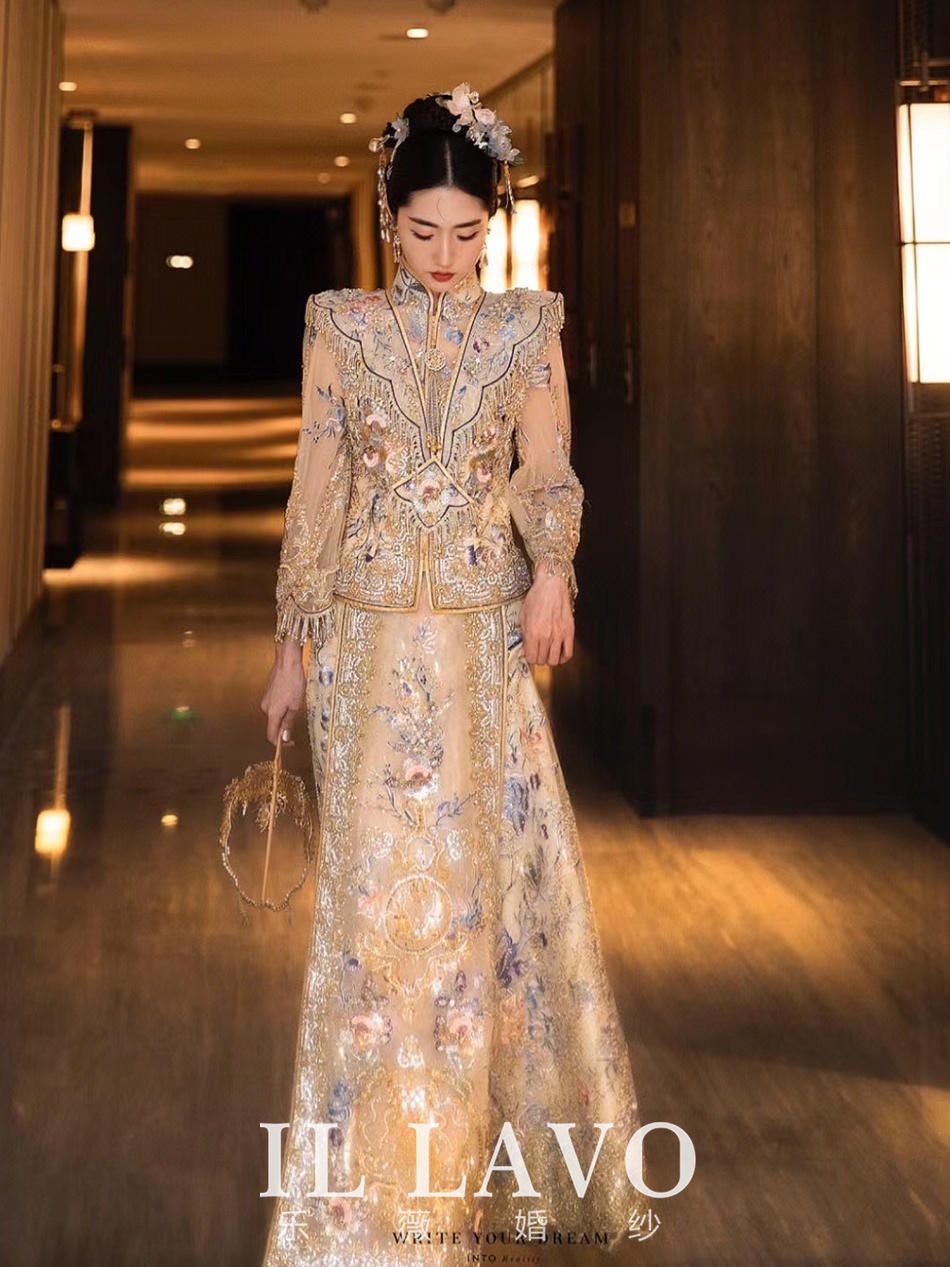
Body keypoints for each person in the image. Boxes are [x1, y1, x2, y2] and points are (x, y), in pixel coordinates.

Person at [259, 84, 649, 1265]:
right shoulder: (340, 325)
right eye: (422, 231)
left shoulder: (526, 326)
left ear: (494, 222)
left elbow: (547, 468)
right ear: (389, 220)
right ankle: (364, 1201)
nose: (443, 256)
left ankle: (460, 1187)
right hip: (365, 652)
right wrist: (288, 650)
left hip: (480, 646)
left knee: (479, 907)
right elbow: (318, 486)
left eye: (466, 233)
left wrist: (553, 574)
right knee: (371, 915)